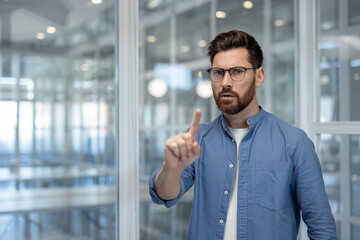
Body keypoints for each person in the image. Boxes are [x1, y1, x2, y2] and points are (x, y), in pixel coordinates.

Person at [148, 30, 337, 240]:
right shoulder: (198, 140)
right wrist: (170, 169)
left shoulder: (294, 143)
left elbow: (321, 227)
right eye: (218, 72)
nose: (225, 82)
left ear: (259, 76)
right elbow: (165, 196)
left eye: (237, 71)